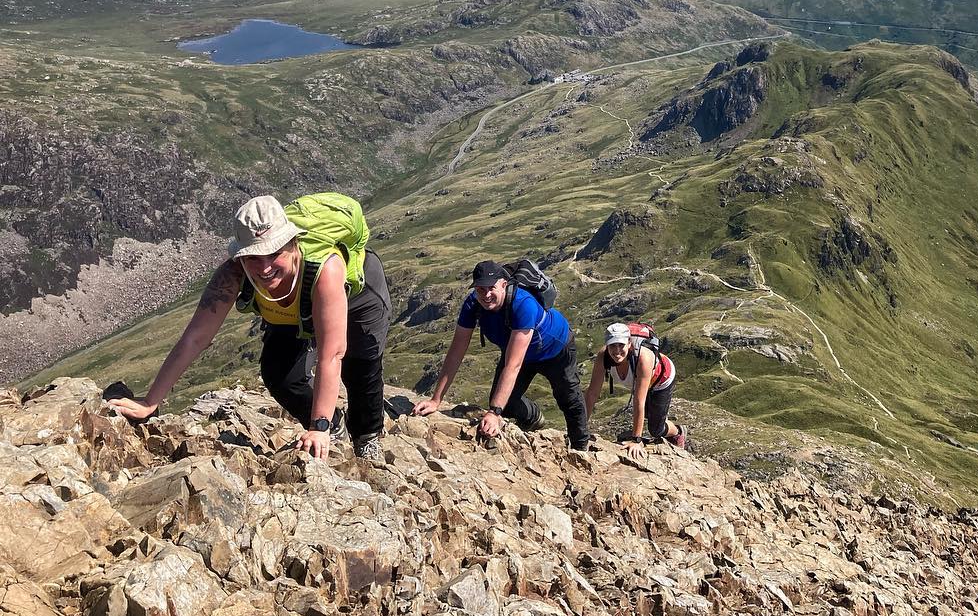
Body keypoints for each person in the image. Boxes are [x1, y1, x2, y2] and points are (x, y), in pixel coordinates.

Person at [109, 193, 391, 462]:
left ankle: (366, 436)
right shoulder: (233, 273)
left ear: (293, 245)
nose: (265, 267)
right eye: (254, 257)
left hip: (358, 299)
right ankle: (334, 426)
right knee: (279, 374)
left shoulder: (325, 269)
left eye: (274, 253)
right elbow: (195, 338)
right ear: (241, 257)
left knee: (361, 364)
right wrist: (150, 402)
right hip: (288, 311)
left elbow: (332, 354)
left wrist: (319, 424)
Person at [414, 260, 591, 450]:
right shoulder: (473, 304)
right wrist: (436, 400)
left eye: (491, 288)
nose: (486, 294)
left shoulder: (523, 304)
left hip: (556, 348)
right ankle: (533, 418)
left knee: (569, 398)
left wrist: (494, 413)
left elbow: (513, 365)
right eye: (480, 289)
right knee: (504, 403)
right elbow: (456, 351)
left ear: (504, 285)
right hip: (520, 352)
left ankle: (581, 449)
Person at [584, 321, 686, 461]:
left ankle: (678, 432)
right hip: (640, 380)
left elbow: (639, 401)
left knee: (656, 429)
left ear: (629, 343)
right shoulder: (603, 357)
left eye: (621, 345)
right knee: (650, 415)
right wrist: (580, 427)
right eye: (613, 345)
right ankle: (659, 418)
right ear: (607, 345)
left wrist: (636, 440)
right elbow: (592, 393)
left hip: (662, 380)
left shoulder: (643, 359)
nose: (617, 350)